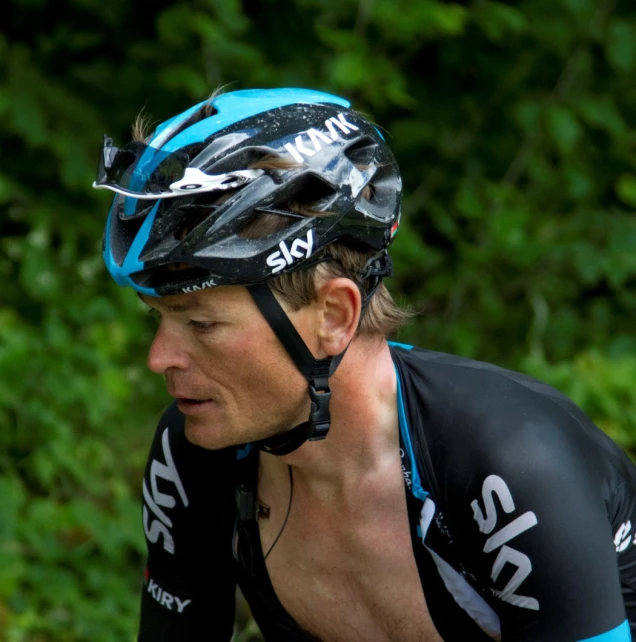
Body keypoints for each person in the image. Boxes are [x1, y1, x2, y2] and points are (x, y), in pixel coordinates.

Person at [94, 87, 636, 641]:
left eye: (201, 324)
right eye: (158, 318)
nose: (159, 358)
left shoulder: (507, 468)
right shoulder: (195, 456)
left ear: (333, 315)